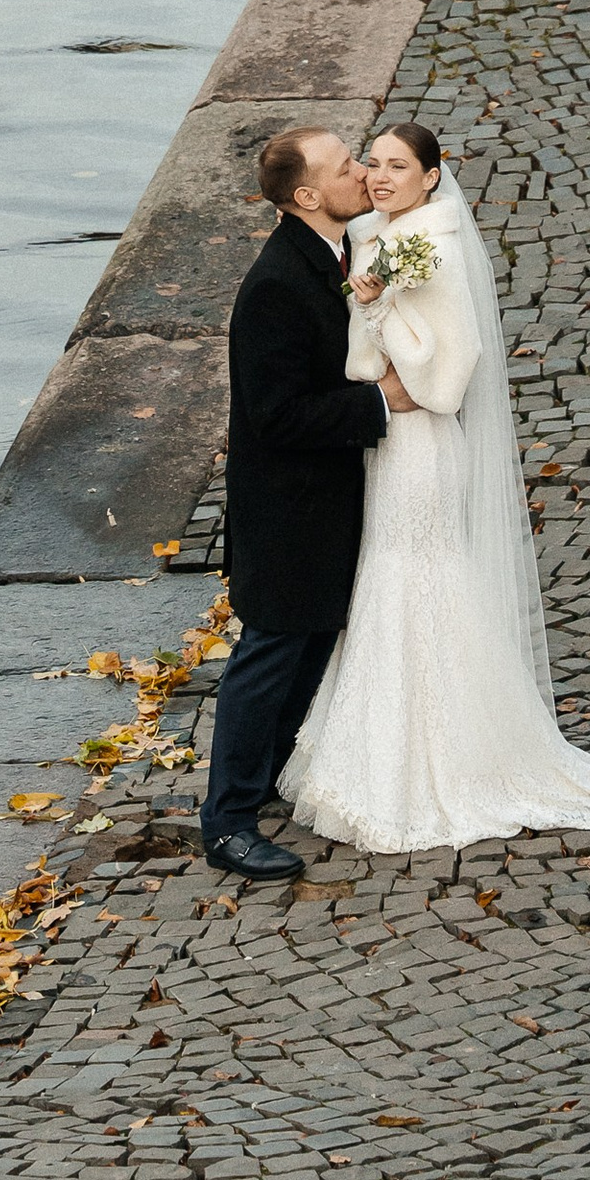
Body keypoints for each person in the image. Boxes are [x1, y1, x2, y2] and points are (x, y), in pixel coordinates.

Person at [280, 120, 590, 854]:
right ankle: (380, 748)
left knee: (415, 578)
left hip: (419, 445)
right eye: (373, 163)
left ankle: (439, 762)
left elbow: (450, 366)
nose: (379, 176)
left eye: (398, 167)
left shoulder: (430, 247)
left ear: (432, 177)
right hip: (380, 440)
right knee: (390, 579)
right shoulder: (374, 231)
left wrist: (374, 313)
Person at [201, 125, 411, 878]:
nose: (362, 172)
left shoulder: (341, 255)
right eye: (347, 165)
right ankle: (226, 822)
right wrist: (381, 402)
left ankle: (268, 784)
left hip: (333, 501)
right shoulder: (276, 286)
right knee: (269, 655)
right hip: (287, 511)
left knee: (313, 644)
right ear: (308, 196)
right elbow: (276, 417)